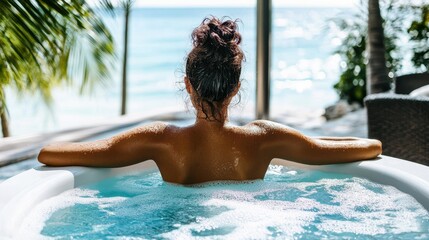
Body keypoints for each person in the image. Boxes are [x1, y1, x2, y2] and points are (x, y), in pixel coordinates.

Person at [38, 17, 382, 184]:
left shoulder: (160, 140)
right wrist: (309, 140)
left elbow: (49, 153)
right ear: (236, 88)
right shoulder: (265, 138)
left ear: (188, 86)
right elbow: (370, 147)